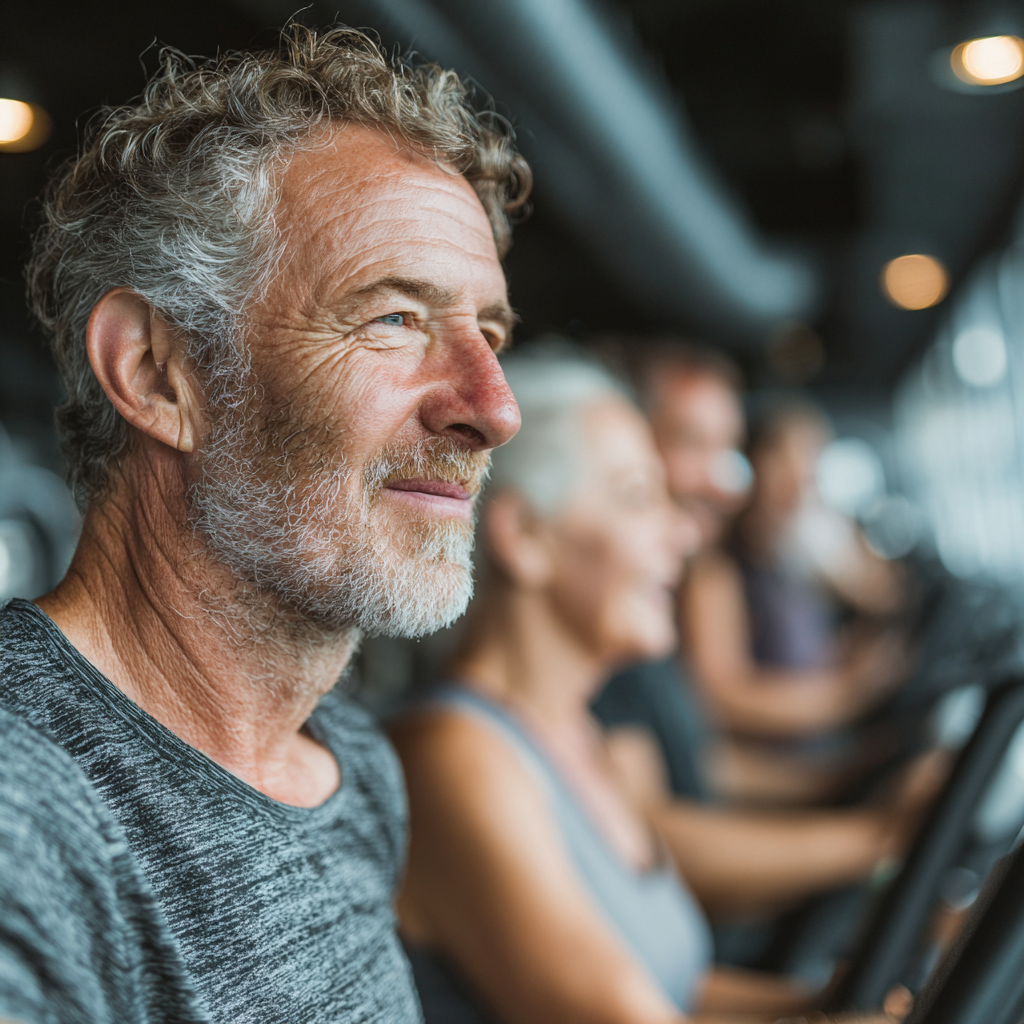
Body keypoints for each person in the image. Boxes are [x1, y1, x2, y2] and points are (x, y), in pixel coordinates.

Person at [1, 26, 529, 1024]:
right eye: (394, 318)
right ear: (161, 374)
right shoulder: (24, 809)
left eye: (489, 332)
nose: (493, 407)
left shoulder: (352, 767)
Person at [391, 351, 846, 1023]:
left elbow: (674, 989)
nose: (682, 536)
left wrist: (834, 1004)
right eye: (638, 497)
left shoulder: (581, 736)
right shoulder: (455, 755)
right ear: (524, 537)